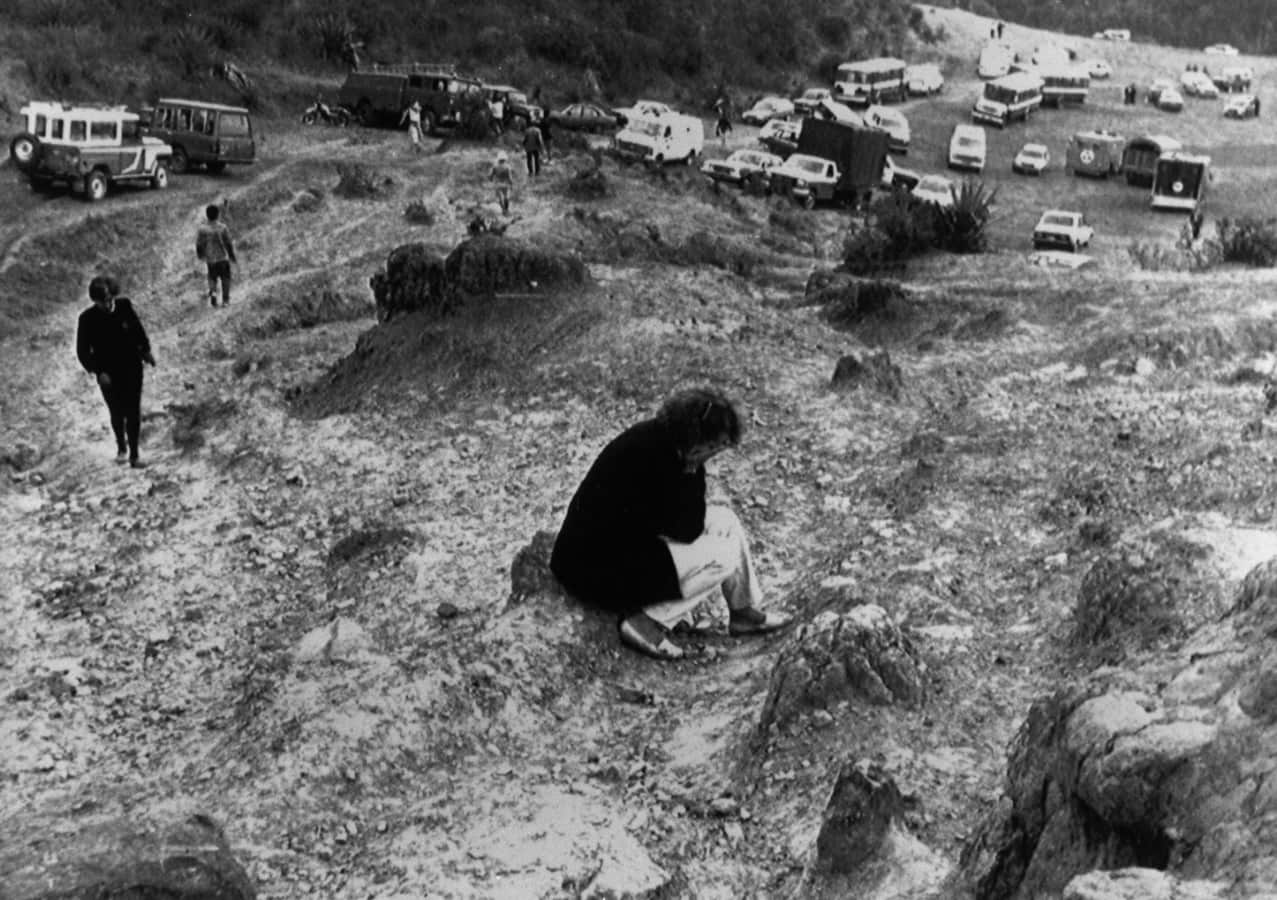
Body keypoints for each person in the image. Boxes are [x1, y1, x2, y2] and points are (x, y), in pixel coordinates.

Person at [550, 388, 791, 660]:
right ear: (699, 440)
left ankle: (742, 612)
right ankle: (646, 624)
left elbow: (681, 522)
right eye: (716, 447)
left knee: (726, 520)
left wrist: (692, 468)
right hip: (594, 568)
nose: (716, 454)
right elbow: (686, 530)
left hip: (624, 543)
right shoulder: (655, 458)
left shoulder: (666, 442)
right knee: (722, 559)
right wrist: (693, 470)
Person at [76, 275, 156, 469]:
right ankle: (121, 446)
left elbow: (138, 330)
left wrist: (146, 352)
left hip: (131, 367)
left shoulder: (124, 306)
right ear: (95, 301)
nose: (108, 304)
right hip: (108, 375)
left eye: (110, 299)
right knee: (117, 412)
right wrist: (98, 371)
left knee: (133, 411)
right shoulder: (87, 319)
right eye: (103, 301)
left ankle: (135, 456)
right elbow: (82, 351)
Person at [195, 204, 237, 307]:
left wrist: (200, 254)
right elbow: (228, 243)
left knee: (212, 277)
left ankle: (213, 292)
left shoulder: (202, 229)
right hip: (222, 257)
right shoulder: (222, 227)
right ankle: (225, 301)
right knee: (225, 278)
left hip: (210, 259)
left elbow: (199, 244)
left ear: (207, 215)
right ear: (218, 214)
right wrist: (231, 255)